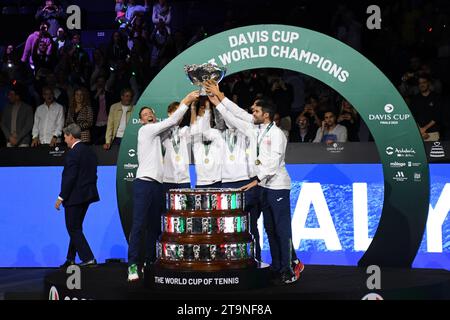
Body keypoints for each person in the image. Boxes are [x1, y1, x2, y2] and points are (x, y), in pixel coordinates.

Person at [205, 81, 303, 284]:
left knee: (282, 229)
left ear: (265, 114)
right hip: (265, 187)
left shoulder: (277, 134)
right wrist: (218, 100)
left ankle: (289, 268)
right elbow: (236, 114)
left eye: (256, 110)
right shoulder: (255, 129)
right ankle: (277, 266)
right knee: (270, 228)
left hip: (277, 187)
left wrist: (256, 180)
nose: (252, 112)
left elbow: (274, 163)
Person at [127, 90, 198, 281]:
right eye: (144, 115)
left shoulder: (158, 135)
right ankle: (133, 265)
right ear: (141, 121)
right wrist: (186, 101)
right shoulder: (146, 130)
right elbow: (172, 121)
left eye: (150, 113)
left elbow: (175, 126)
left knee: (154, 227)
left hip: (158, 185)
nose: (148, 115)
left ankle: (149, 262)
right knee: (139, 225)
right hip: (144, 183)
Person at [55, 124, 99, 268]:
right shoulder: (89, 151)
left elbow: (70, 178)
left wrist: (61, 197)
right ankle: (70, 258)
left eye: (65, 137)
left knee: (72, 228)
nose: (65, 140)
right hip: (87, 195)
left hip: (75, 197)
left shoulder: (73, 153)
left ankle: (89, 258)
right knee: (76, 228)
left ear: (71, 136)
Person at [161, 101, 192, 196]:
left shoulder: (185, 130)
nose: (178, 115)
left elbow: (194, 128)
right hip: (168, 177)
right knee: (167, 208)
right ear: (169, 113)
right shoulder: (163, 131)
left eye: (181, 113)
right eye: (175, 112)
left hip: (184, 178)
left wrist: (193, 109)